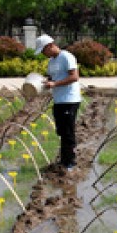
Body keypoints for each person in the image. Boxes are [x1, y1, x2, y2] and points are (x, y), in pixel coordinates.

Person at [34, 34, 81, 170]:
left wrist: (55, 84)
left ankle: (70, 162)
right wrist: (43, 82)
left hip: (69, 99)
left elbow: (74, 77)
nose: (43, 54)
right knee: (61, 131)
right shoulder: (51, 61)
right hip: (58, 100)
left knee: (68, 131)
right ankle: (64, 160)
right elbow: (51, 77)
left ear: (50, 46)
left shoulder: (66, 57)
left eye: (43, 51)